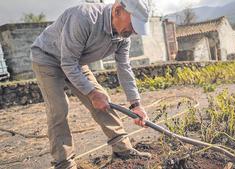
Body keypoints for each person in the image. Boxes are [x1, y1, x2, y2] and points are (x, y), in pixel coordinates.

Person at [30, 0, 152, 168]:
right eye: (132, 25)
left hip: (75, 60)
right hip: (47, 58)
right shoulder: (84, 18)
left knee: (104, 101)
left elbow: (124, 67)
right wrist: (91, 94)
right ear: (117, 11)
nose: (133, 32)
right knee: (58, 108)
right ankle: (64, 162)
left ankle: (122, 149)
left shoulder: (122, 36)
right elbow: (68, 64)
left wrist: (136, 104)